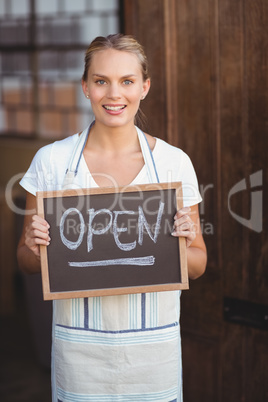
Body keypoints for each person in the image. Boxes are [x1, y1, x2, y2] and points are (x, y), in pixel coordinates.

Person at [17, 33, 207, 402]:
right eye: (101, 81)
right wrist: (33, 246)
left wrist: (183, 242)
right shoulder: (52, 162)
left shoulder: (173, 163)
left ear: (145, 87)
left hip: (153, 355)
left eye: (127, 81)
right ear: (86, 87)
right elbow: (24, 262)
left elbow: (198, 264)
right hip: (80, 358)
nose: (114, 94)